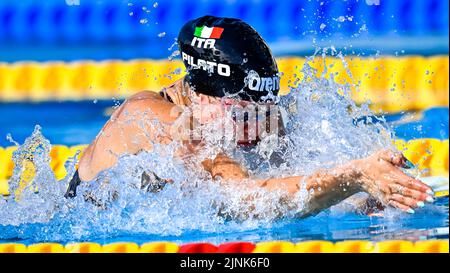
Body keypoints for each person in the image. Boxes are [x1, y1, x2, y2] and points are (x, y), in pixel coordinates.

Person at [65, 15, 434, 217]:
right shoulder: (158, 120)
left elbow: (291, 183)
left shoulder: (260, 116)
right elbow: (248, 200)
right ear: (203, 96)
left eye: (265, 108)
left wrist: (370, 196)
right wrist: (353, 176)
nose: (258, 124)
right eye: (245, 110)